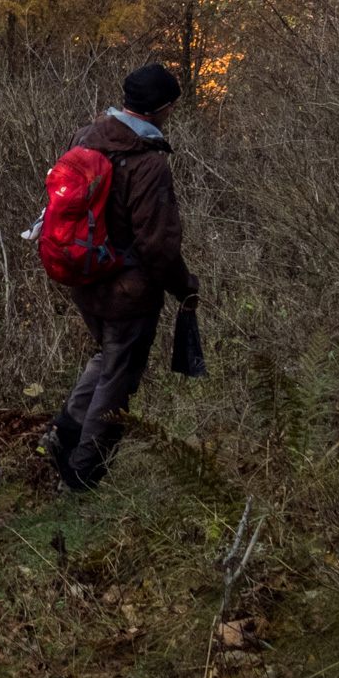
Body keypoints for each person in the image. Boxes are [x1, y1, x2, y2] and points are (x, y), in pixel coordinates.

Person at [43, 63, 200, 491]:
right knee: (119, 376)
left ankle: (65, 433)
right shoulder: (148, 163)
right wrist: (185, 286)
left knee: (108, 356)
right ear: (163, 108)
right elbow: (158, 245)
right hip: (128, 289)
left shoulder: (84, 137)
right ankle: (83, 474)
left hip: (83, 277)